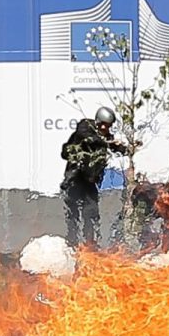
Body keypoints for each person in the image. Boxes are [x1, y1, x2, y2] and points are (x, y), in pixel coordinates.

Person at [59, 107, 129, 250]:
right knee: (73, 213)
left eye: (107, 125)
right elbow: (90, 138)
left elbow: (114, 147)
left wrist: (125, 149)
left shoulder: (106, 138)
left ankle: (90, 244)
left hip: (90, 181)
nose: (104, 127)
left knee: (91, 212)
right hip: (75, 179)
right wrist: (108, 143)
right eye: (102, 123)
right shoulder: (86, 127)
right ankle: (72, 244)